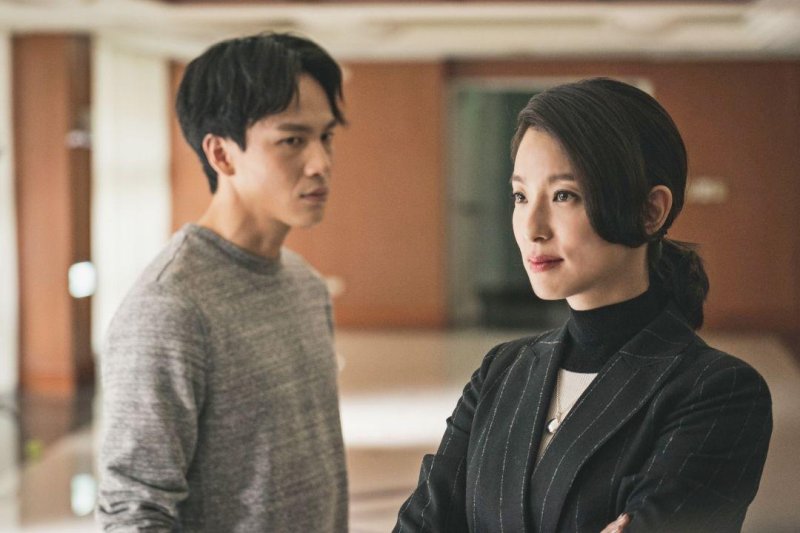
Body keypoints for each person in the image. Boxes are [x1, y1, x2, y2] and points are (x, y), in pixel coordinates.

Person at [395, 78, 772, 532]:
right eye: (520, 196)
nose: (532, 228)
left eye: (564, 195)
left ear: (650, 211)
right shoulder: (502, 370)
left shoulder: (716, 392)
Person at [97, 32, 348, 532]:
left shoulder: (304, 284)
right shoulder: (170, 306)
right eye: (292, 140)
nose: (320, 163)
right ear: (221, 154)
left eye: (326, 137)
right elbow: (133, 511)